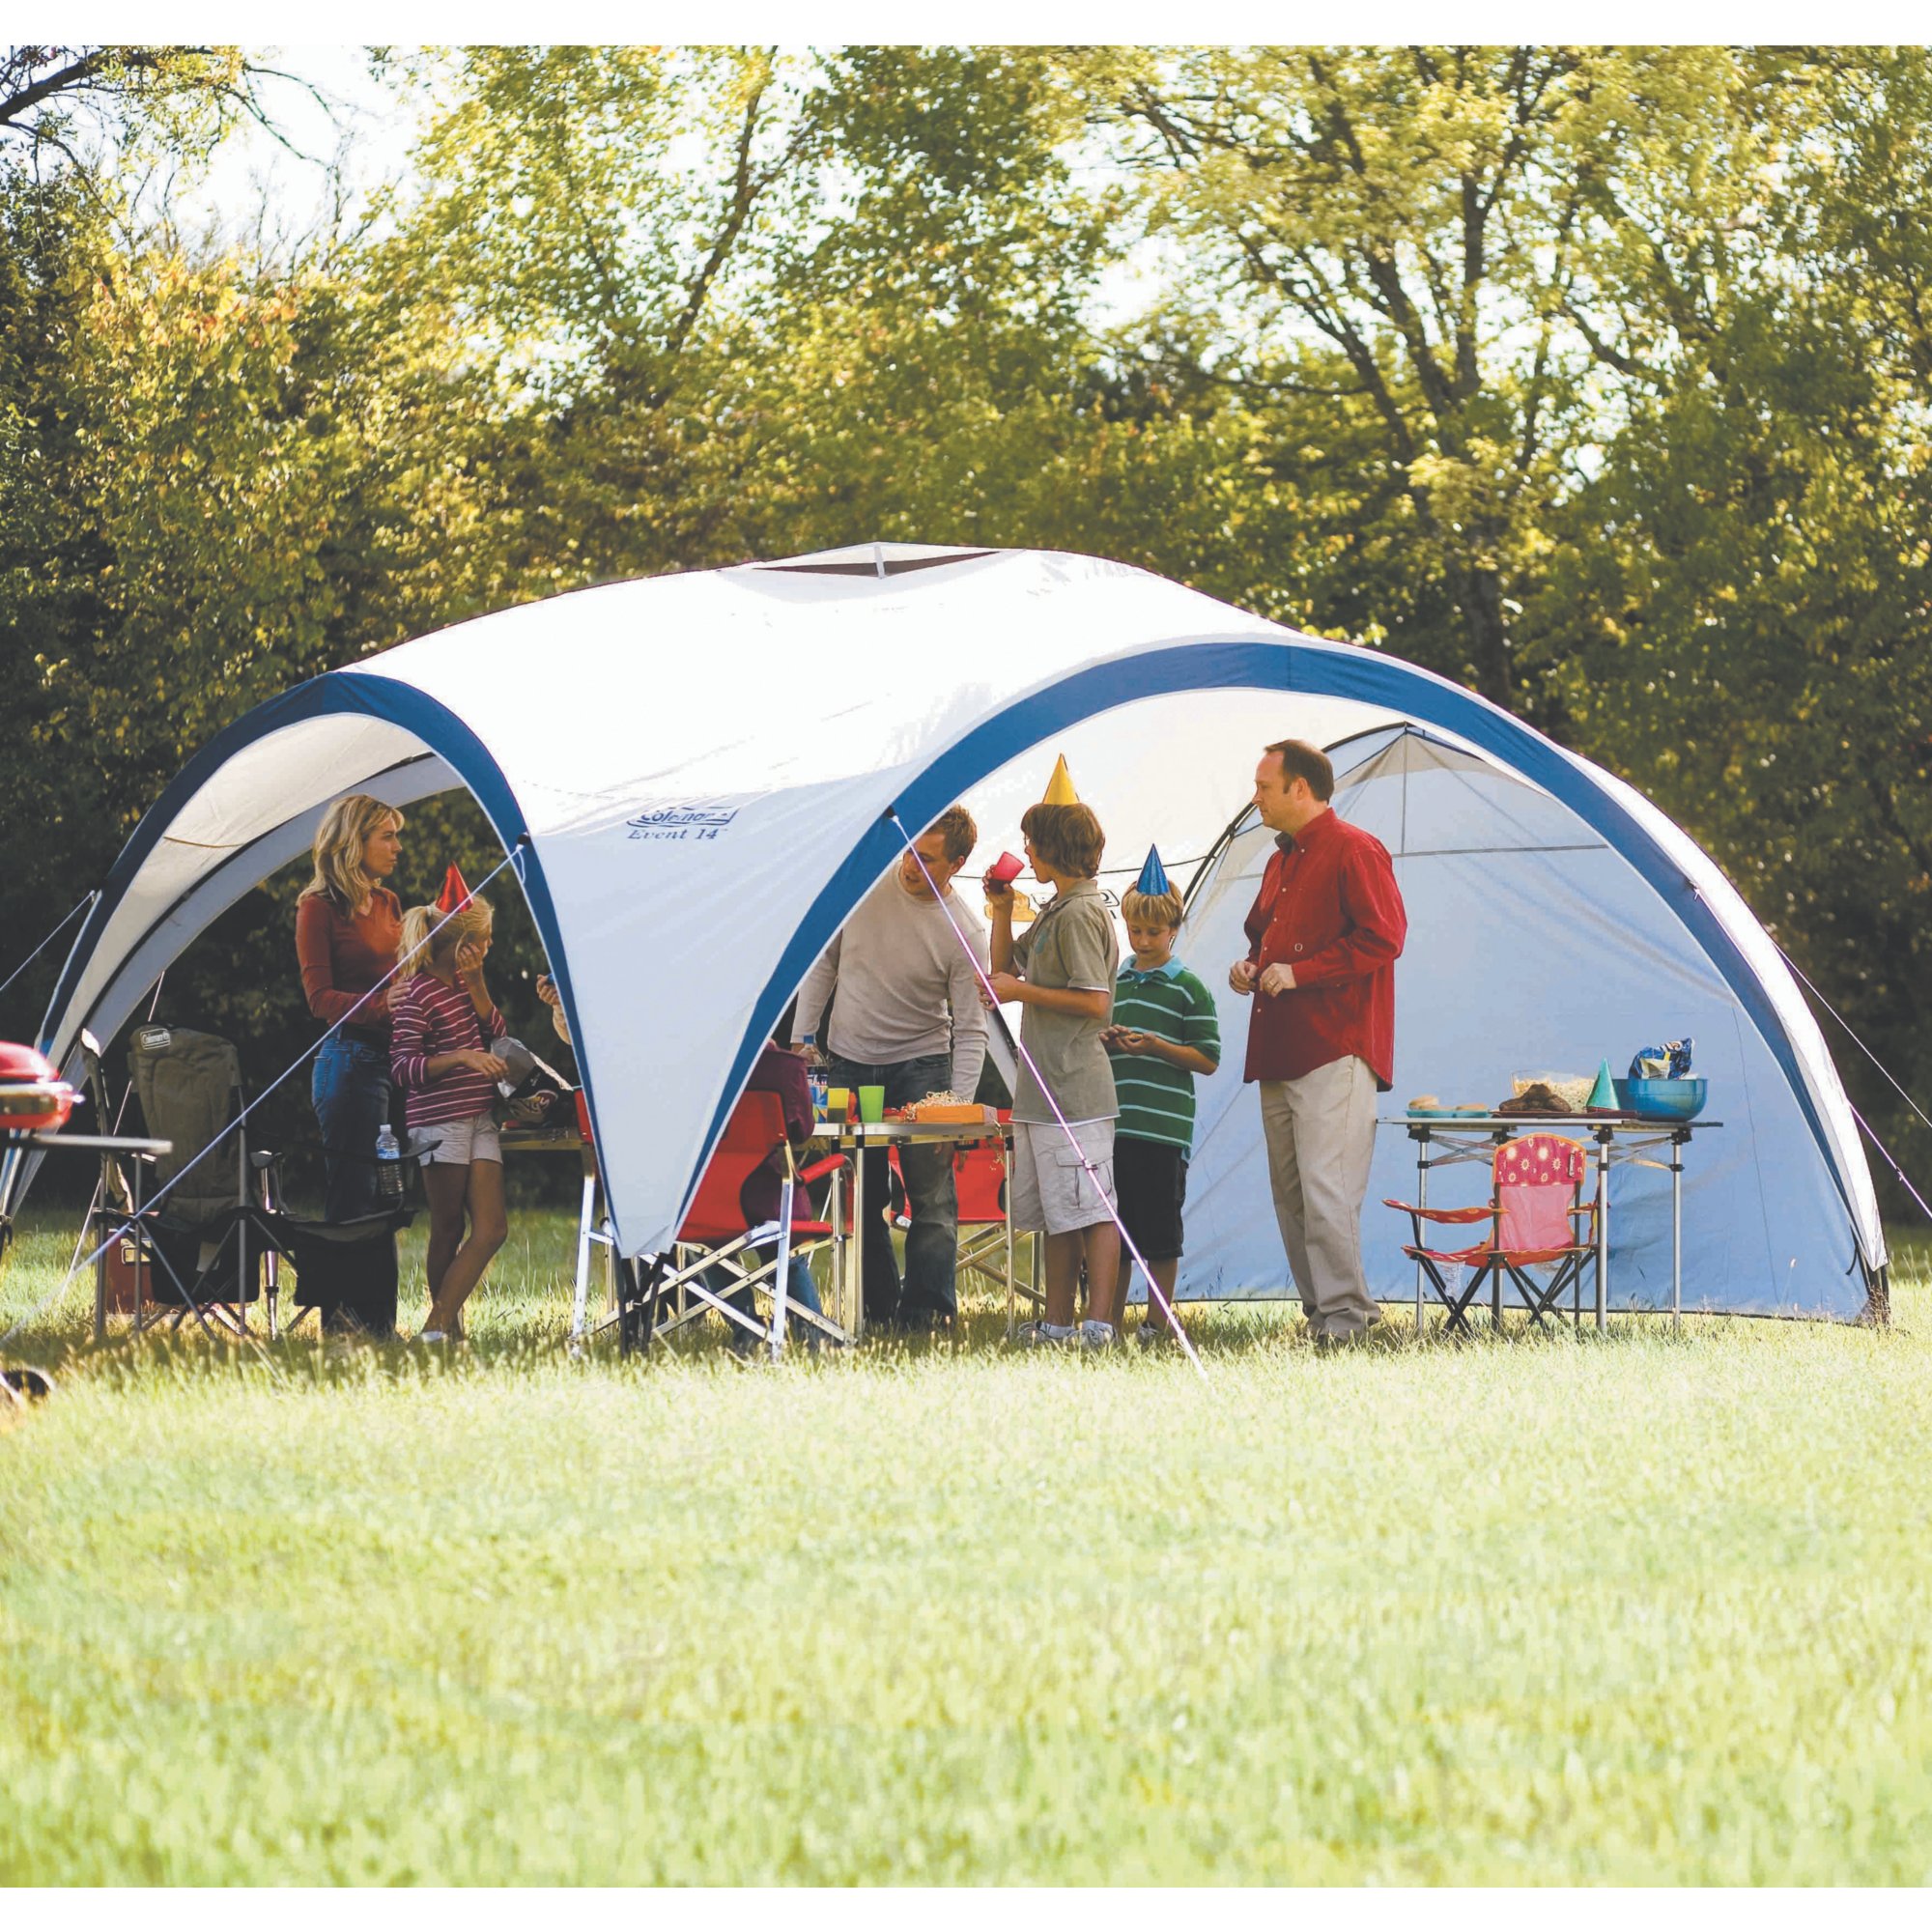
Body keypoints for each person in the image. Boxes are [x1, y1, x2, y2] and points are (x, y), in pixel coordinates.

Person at [1229, 738, 1406, 1343]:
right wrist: (1249, 966)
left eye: (1264, 787)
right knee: (1292, 1194)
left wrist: (1300, 972)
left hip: (1336, 1046)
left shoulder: (1355, 849)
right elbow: (1265, 941)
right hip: (1281, 1048)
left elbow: (1385, 937)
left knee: (1327, 1189)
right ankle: (1324, 1316)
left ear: (1299, 788)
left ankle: (1351, 1321)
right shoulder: (1281, 859)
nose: (1255, 797)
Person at [791, 805, 989, 1332]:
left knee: (930, 1197)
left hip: (921, 1067)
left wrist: (958, 1112)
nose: (908, 866)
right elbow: (823, 963)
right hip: (848, 1063)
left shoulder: (966, 932)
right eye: (908, 852)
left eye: (925, 859)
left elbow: (972, 1030)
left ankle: (924, 1312)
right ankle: (878, 1309)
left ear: (958, 863)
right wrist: (801, 1039)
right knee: (861, 1195)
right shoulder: (864, 887)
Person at [984, 782, 1122, 1348]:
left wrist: (1021, 993)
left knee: (1092, 1209)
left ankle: (1098, 1323)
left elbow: (1095, 1001)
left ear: (1056, 848)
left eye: (1032, 844)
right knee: (1057, 1214)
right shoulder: (1053, 912)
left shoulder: (1081, 914)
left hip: (1076, 1089)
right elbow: (1003, 968)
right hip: (1042, 1092)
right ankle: (1058, 1322)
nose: (1027, 852)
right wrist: (999, 911)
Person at [1101, 852, 1221, 1347]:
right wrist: (1108, 1039)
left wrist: (1156, 1046)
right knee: (1117, 1229)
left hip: (1163, 1130)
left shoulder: (1189, 989)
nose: (1144, 941)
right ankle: (1107, 1318)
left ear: (1174, 928)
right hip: (1117, 1125)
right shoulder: (1116, 982)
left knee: (1159, 1230)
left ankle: (1157, 1319)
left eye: (1154, 932)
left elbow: (1207, 1057)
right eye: (1136, 931)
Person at [389, 872, 509, 1343]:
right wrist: (461, 1057)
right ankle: (446, 1330)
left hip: (479, 1116)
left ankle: (437, 1323)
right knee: (447, 1227)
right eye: (485, 938)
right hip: (438, 1120)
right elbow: (402, 1068)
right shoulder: (416, 991)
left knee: (492, 1227)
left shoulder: (464, 982)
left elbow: (496, 1031)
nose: (491, 942)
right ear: (463, 943)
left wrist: (478, 982)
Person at [296, 795, 404, 1225]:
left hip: (395, 1061)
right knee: (354, 1197)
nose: (397, 848)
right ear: (353, 843)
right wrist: (381, 1005)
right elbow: (319, 998)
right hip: (348, 1063)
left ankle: (377, 1297)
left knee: (390, 1195)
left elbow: (400, 977)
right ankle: (340, 1295)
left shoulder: (388, 902)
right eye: (388, 837)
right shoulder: (316, 907)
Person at [697, 1034, 827, 1354]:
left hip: (700, 1206)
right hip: (769, 1199)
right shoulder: (780, 1067)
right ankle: (812, 1335)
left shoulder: (679, 1064)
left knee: (711, 1246)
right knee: (780, 1246)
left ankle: (746, 1329)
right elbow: (802, 1130)